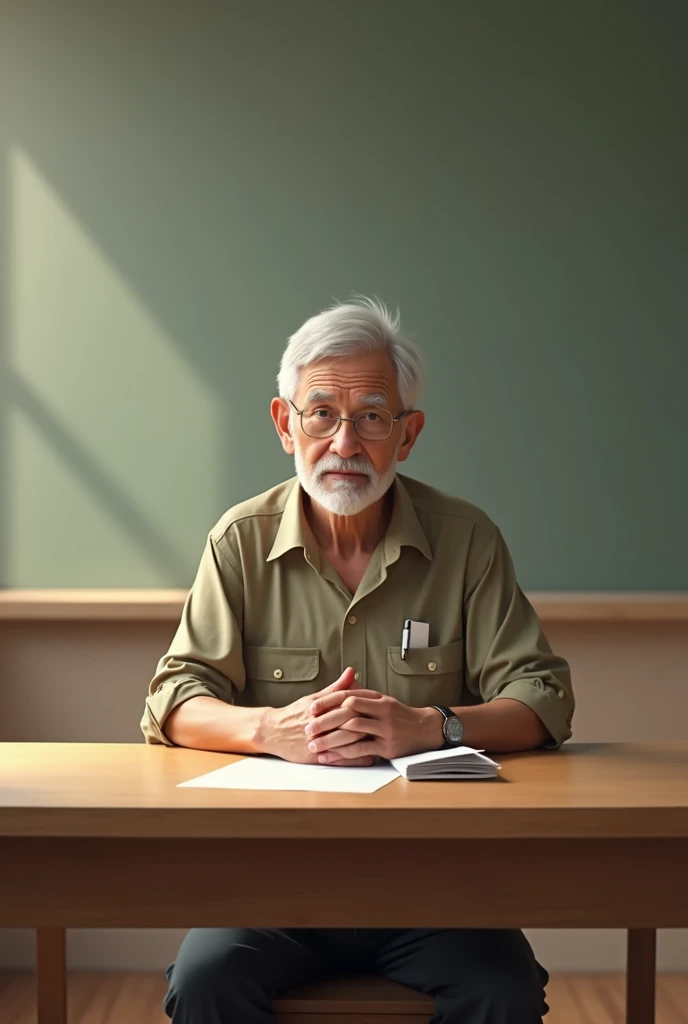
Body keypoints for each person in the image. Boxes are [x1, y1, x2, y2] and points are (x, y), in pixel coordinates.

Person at [141, 297, 574, 1023]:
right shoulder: (239, 542)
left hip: (433, 885)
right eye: (321, 414)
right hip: (273, 883)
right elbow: (175, 698)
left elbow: (541, 698)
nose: (345, 441)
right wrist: (267, 729)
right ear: (286, 425)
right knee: (203, 984)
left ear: (407, 435)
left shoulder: (466, 540)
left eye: (372, 416)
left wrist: (433, 725)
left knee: (503, 990)